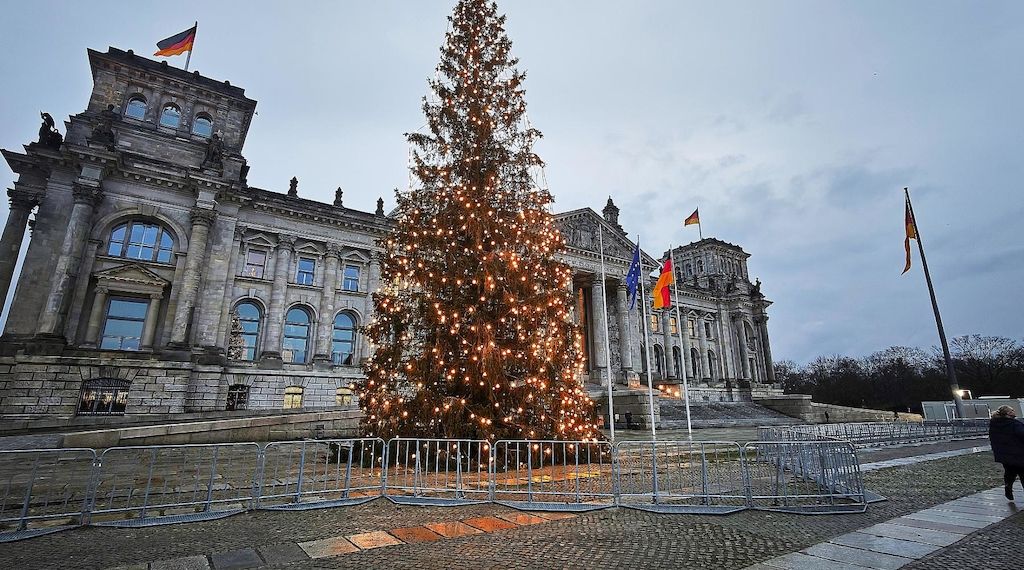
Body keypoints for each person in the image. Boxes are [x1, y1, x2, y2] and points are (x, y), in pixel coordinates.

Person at [988, 405, 1024, 501]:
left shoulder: (994, 424)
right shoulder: (1014, 424)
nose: (1014, 411)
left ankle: (1008, 487)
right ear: (1008, 413)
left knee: (1009, 473)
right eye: (1012, 410)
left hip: (1004, 455)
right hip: (1019, 454)